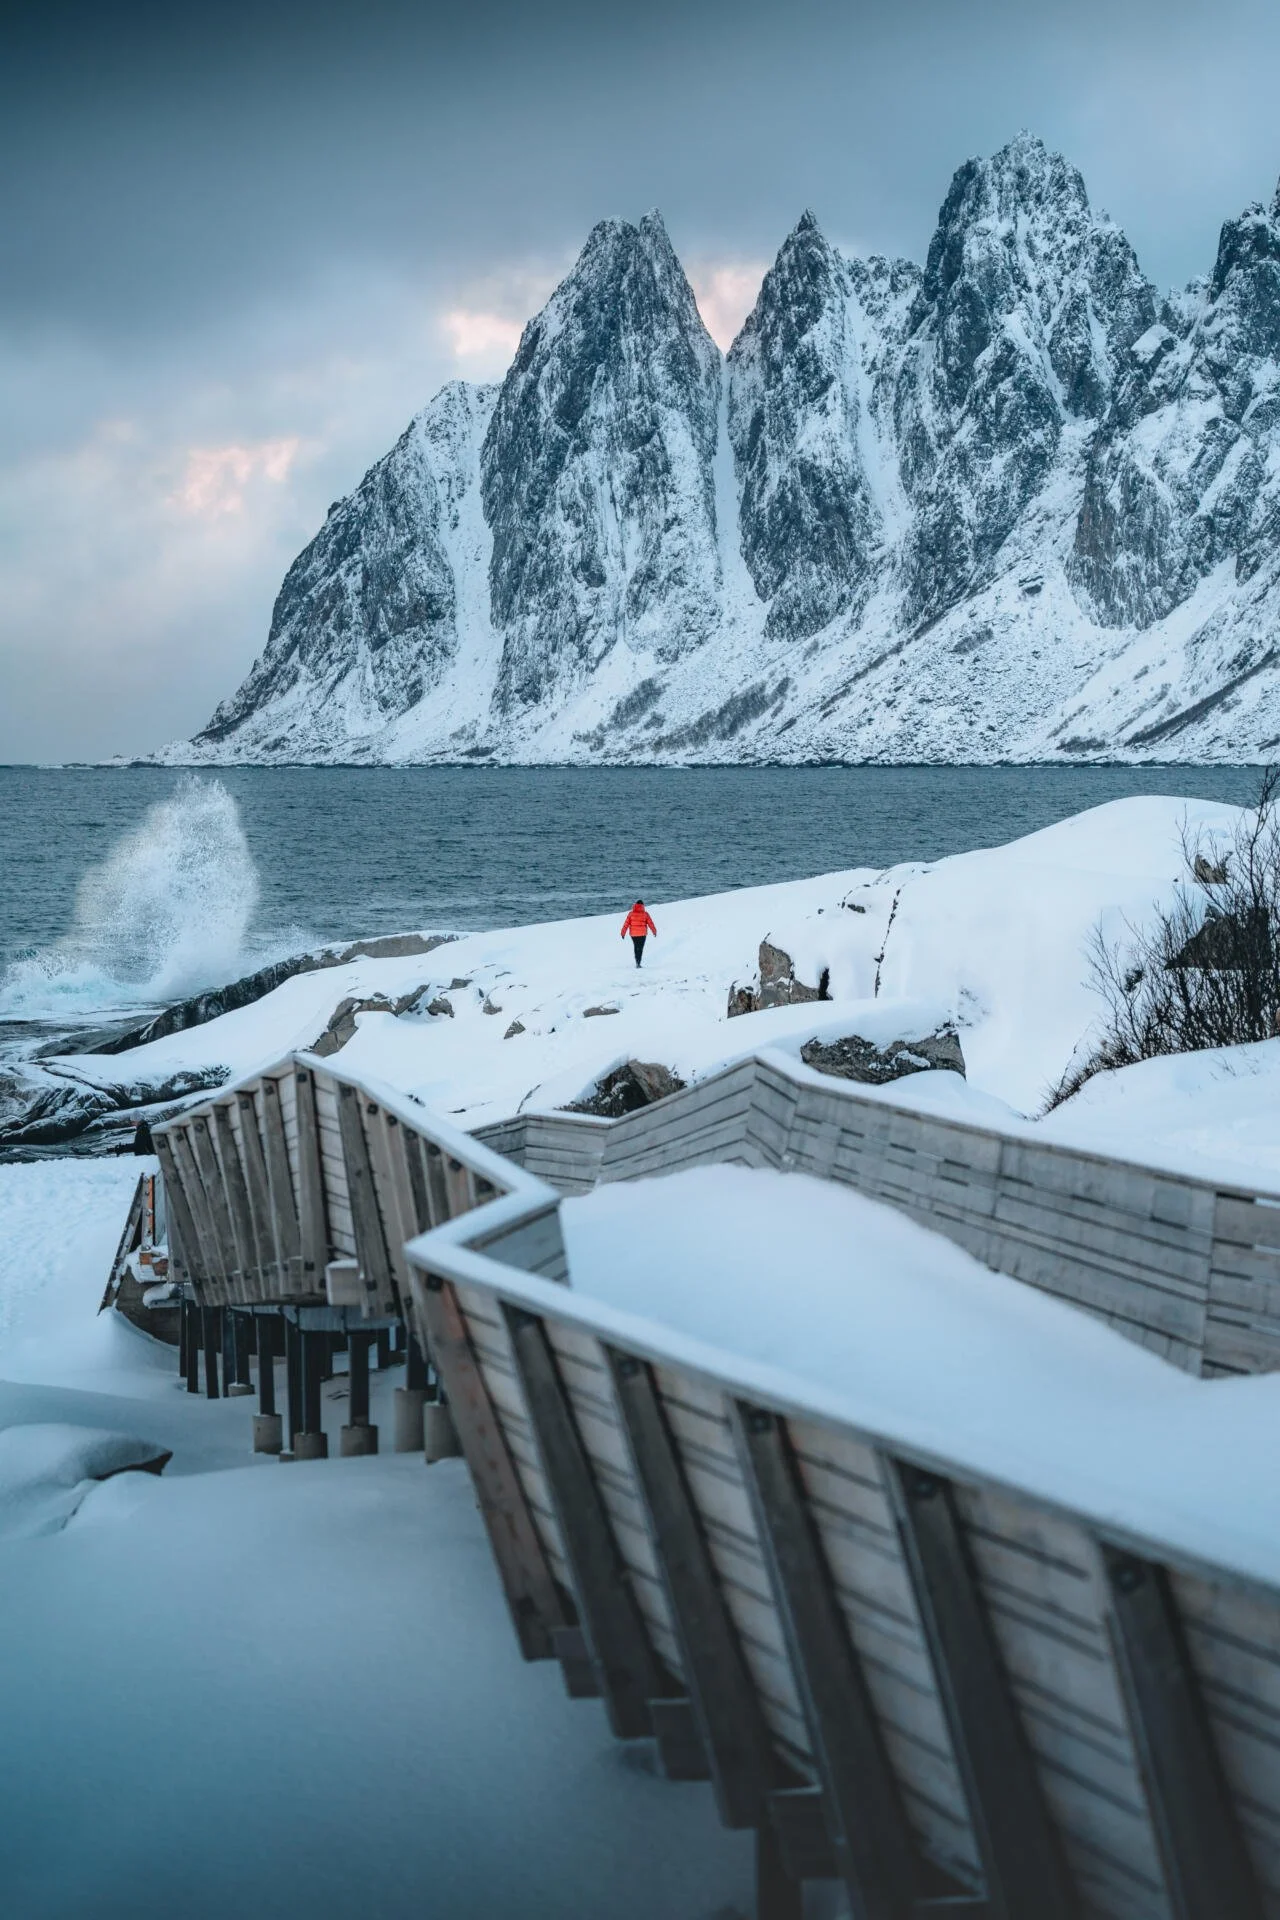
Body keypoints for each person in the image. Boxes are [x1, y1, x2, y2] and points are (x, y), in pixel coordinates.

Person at [620, 898, 657, 967]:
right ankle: (638, 963)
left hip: (633, 934)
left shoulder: (630, 914)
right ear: (642, 906)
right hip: (642, 934)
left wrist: (623, 933)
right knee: (640, 948)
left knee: (636, 947)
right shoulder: (645, 914)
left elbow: (626, 924)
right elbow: (650, 923)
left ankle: (637, 961)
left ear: (635, 905)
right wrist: (654, 931)